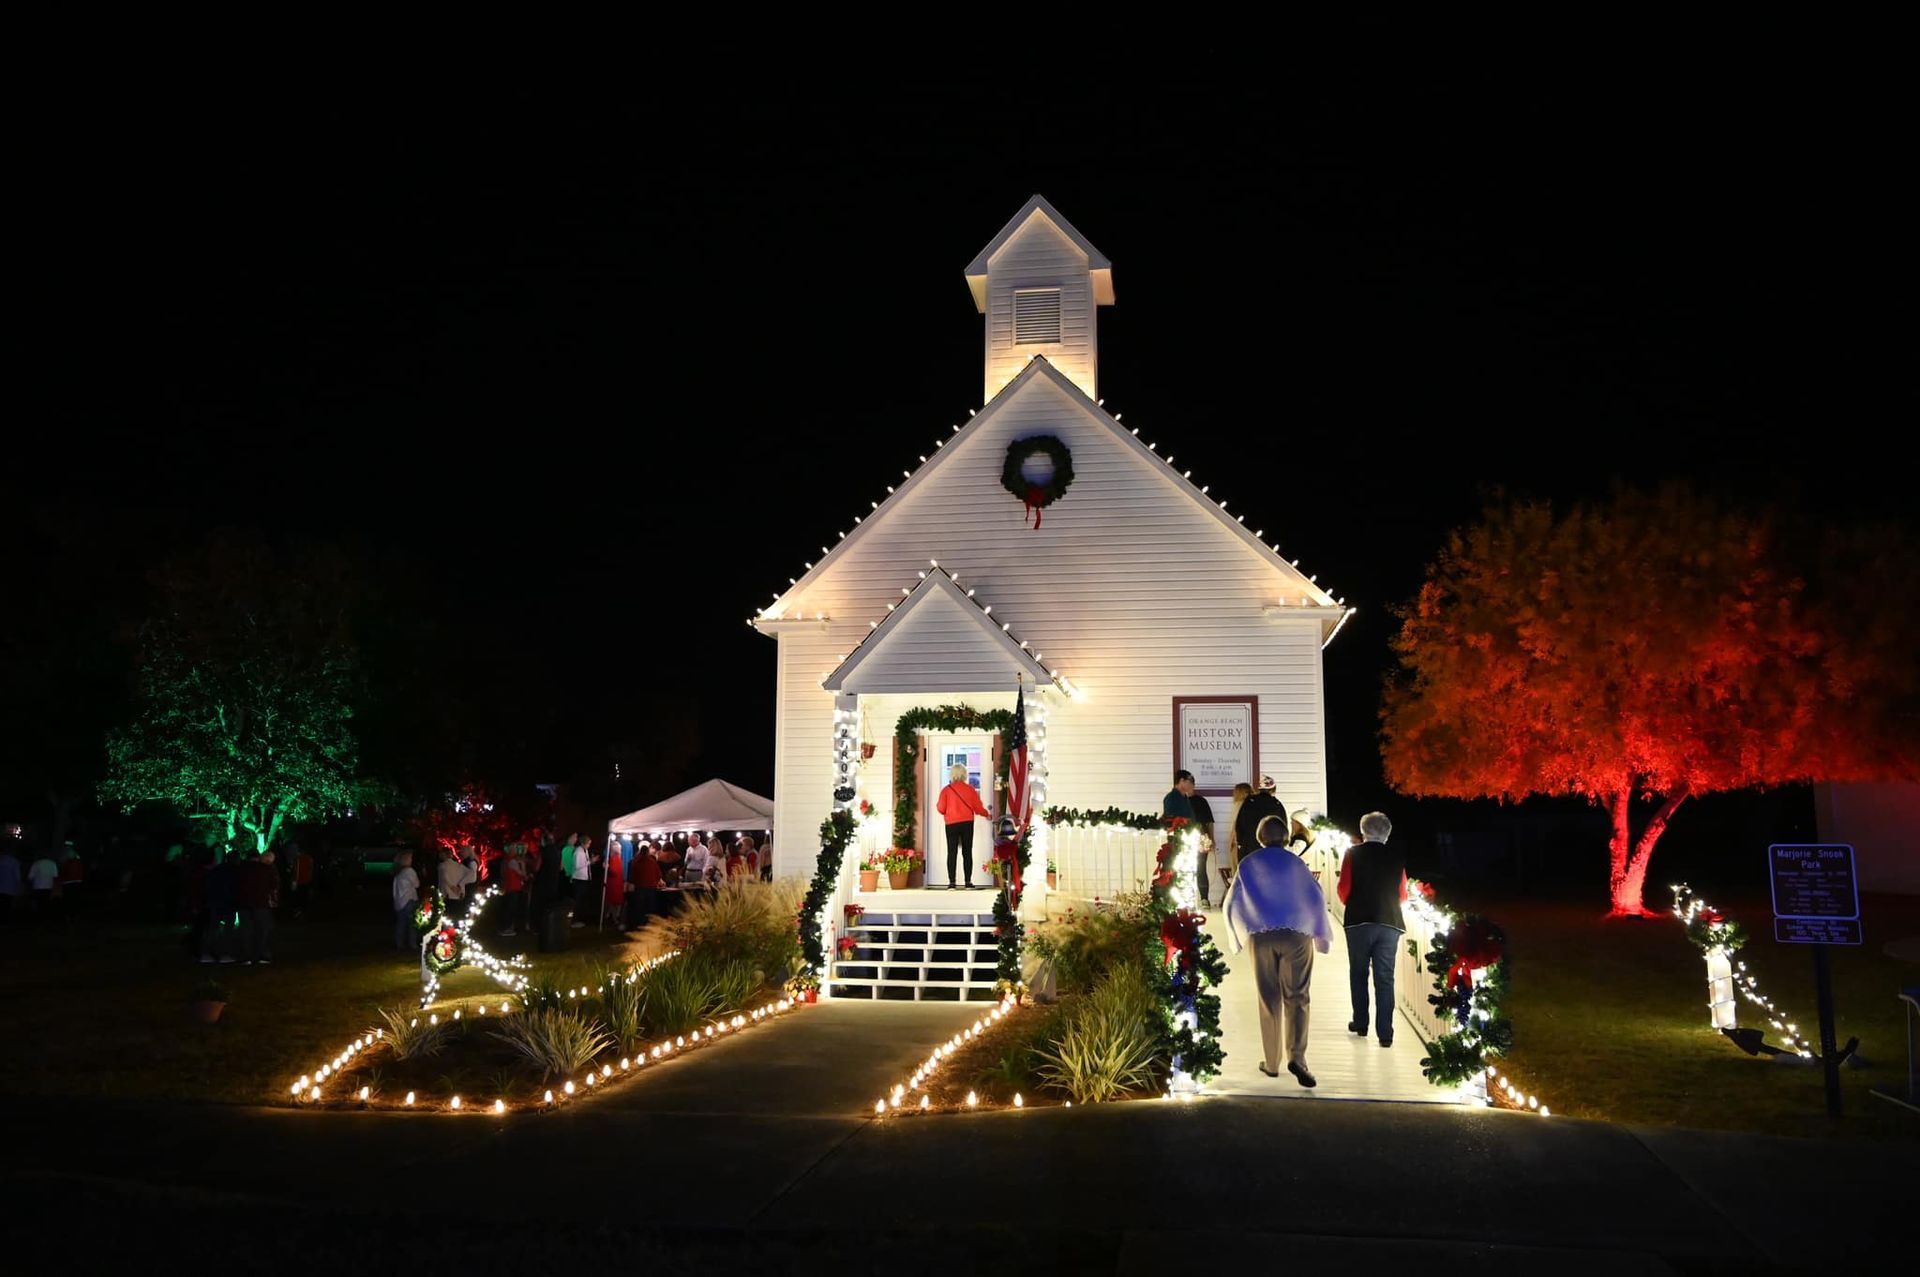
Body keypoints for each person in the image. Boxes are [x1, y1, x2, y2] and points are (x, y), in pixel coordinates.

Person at [1221, 813, 1332, 1088]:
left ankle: (1271, 1063)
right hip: (1297, 934)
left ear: (1260, 838)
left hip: (1262, 936)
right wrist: (1322, 937)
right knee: (1298, 996)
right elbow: (1316, 896)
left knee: (1268, 997)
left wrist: (1236, 937)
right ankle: (1297, 1057)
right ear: (1285, 838)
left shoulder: (1249, 863)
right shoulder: (1297, 863)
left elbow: (1231, 902)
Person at [1338, 811, 1407, 1048]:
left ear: (1363, 832)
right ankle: (1385, 1033)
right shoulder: (1397, 856)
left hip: (1358, 921)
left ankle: (1361, 1022)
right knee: (1385, 978)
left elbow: (1343, 889)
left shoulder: (1352, 854)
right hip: (1389, 922)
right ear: (1387, 833)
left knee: (1358, 972)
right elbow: (1402, 894)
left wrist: (1355, 902)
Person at [937, 762, 991, 889]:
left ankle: (951, 883)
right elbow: (978, 808)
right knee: (967, 852)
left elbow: (940, 808)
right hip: (967, 823)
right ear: (964, 774)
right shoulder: (970, 789)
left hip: (951, 824)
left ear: (952, 775)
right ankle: (968, 882)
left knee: (952, 852)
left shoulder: (946, 790)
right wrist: (986, 814)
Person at [1233, 775, 1287, 867]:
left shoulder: (1249, 802)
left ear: (1259, 789)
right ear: (1273, 789)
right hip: (1272, 851)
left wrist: (1240, 844)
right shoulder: (1277, 805)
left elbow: (1240, 826)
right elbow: (1284, 828)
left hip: (1249, 850)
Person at [235, 850, 279, 964]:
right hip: (261, 903)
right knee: (262, 929)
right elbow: (274, 884)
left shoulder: (240, 869)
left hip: (243, 904)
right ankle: (261, 955)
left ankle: (245, 956)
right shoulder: (265, 869)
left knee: (245, 930)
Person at [201, 852, 238, 961]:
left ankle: (206, 954)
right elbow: (235, 888)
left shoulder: (216, 870)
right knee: (228, 930)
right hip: (228, 903)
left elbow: (208, 885)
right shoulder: (235, 871)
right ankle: (225, 954)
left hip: (215, 902)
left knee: (213, 929)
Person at [1190, 786, 1217, 907]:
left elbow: (1209, 822)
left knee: (1201, 867)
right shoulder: (1179, 801)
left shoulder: (1201, 801)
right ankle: (1188, 899)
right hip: (1183, 838)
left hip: (1202, 838)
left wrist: (1212, 839)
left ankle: (1204, 898)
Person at [628, 840, 663, 926]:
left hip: (639, 887)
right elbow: (659, 875)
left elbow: (632, 875)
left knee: (639, 907)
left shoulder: (635, 861)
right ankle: (649, 924)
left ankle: (639, 924)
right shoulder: (652, 861)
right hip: (651, 887)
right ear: (647, 852)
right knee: (650, 907)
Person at [1224, 781, 1254, 878]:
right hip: (1250, 843)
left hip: (1238, 843)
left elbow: (1235, 824)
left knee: (1236, 869)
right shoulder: (1253, 805)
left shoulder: (1239, 805)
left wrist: (1230, 842)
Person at [392, 851, 420, 951]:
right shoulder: (409, 871)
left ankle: (399, 943)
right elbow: (417, 884)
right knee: (412, 924)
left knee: (401, 923)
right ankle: (412, 944)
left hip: (399, 902)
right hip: (409, 900)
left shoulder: (398, 872)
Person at [498, 844, 528, 937]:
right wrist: (523, 865)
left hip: (509, 887)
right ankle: (506, 928)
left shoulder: (506, 861)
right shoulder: (512, 862)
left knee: (508, 908)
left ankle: (506, 927)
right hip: (513, 887)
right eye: (515, 849)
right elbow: (522, 874)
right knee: (510, 909)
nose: (516, 851)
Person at [570, 836, 595, 925]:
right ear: (583, 843)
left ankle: (578, 919)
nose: (589, 845)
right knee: (577, 901)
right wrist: (589, 861)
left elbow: (585, 863)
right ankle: (572, 920)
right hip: (578, 880)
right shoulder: (578, 852)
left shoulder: (585, 851)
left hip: (584, 879)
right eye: (588, 844)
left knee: (581, 901)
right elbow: (577, 865)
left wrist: (590, 861)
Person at [0, 842, 21, 923]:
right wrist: (18, 884)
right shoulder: (14, 861)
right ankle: (5, 918)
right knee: (7, 903)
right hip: (10, 886)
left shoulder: (1, 860)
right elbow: (17, 875)